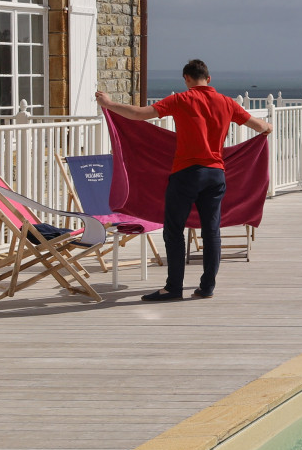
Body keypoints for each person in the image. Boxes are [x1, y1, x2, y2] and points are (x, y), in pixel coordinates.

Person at [96, 59, 272, 301]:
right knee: (212, 231)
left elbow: (138, 115)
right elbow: (260, 126)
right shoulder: (227, 103)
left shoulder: (181, 99)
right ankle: (207, 286)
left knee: (174, 230)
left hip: (187, 173)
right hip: (216, 175)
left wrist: (108, 103)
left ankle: (173, 288)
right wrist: (267, 127)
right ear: (209, 79)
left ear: (187, 79)